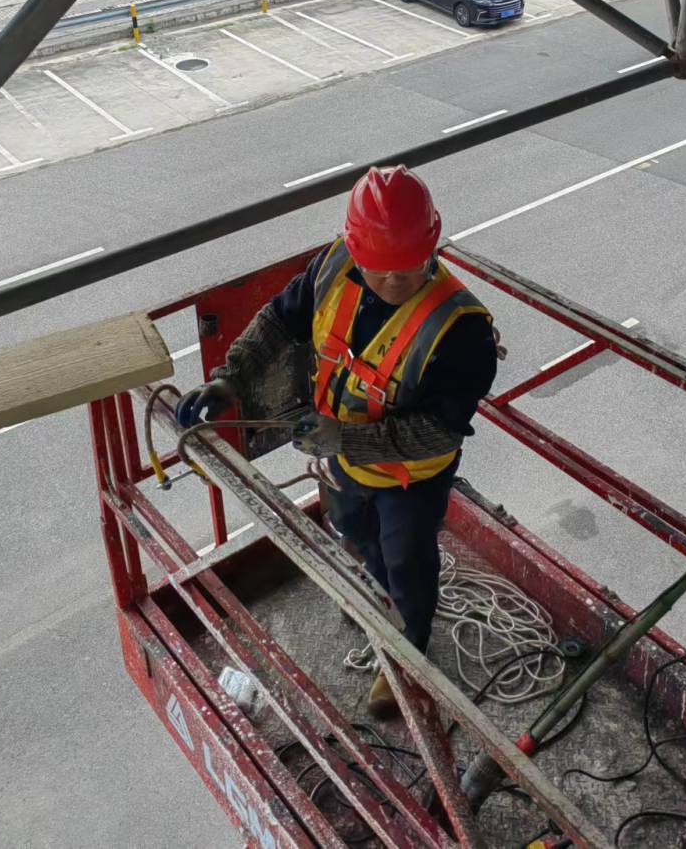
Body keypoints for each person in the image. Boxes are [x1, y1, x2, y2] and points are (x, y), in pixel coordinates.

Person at [175, 164, 498, 718]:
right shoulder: (334, 266)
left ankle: (406, 653)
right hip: (342, 460)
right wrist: (233, 376)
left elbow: (438, 429)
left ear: (432, 245)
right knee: (355, 535)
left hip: (409, 481)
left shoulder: (460, 329)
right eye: (380, 271)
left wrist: (345, 438)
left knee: (407, 562)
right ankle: (378, 601)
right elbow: (279, 322)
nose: (395, 282)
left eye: (408, 269)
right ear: (355, 249)